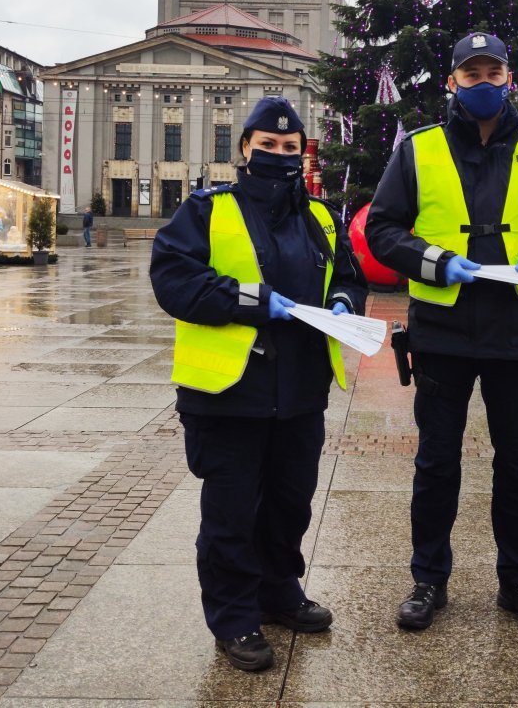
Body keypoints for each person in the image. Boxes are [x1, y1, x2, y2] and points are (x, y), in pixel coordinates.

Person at [366, 31, 518, 634]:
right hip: (443, 329)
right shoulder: (418, 149)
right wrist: (435, 261)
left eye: (494, 74)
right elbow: (382, 231)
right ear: (453, 82)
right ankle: (427, 580)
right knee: (437, 462)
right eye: (472, 75)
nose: (484, 85)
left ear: (510, 80)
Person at [150, 97, 368, 673]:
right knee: (231, 515)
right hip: (227, 395)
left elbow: (347, 274)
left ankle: (279, 593)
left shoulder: (321, 218)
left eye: (289, 147)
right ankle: (235, 617)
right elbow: (174, 281)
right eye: (266, 146)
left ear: (302, 154)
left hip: (299, 393)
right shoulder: (206, 210)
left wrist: (346, 301)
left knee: (289, 505)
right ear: (244, 149)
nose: (277, 154)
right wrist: (252, 302)